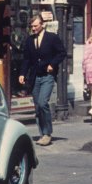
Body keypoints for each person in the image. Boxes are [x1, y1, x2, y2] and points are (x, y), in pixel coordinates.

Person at [18, 15, 66, 146]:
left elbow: (62, 53)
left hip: (47, 76)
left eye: (35, 26)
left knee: (42, 102)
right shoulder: (29, 40)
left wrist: (53, 64)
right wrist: (22, 73)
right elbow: (26, 59)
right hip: (35, 77)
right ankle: (42, 134)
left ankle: (47, 133)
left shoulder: (51, 38)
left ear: (42, 24)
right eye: (31, 26)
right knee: (37, 106)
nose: (33, 29)